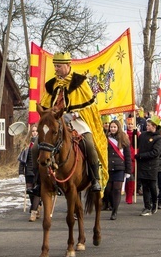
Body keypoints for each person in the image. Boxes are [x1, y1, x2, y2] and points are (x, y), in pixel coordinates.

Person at [37, 52, 108, 192]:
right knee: (35, 147)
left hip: (77, 121)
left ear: (68, 65)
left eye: (58, 66)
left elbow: (89, 107)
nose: (56, 69)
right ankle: (38, 181)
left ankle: (95, 179)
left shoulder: (80, 81)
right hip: (55, 122)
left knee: (89, 144)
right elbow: (45, 106)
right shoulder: (51, 84)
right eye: (55, 66)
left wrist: (73, 114)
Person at [135, 116, 161, 216]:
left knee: (152, 185)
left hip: (152, 165)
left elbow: (155, 152)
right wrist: (134, 135)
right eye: (146, 125)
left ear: (154, 126)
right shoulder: (143, 135)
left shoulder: (159, 138)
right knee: (145, 186)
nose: (146, 127)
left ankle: (154, 203)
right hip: (142, 165)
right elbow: (136, 145)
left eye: (149, 125)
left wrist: (141, 156)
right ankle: (147, 206)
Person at [105, 120, 132, 220]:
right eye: (111, 127)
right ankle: (112, 205)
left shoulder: (123, 139)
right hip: (108, 168)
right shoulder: (106, 138)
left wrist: (128, 171)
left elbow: (128, 156)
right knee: (108, 189)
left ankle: (114, 211)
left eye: (114, 127)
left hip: (120, 168)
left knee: (117, 189)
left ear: (118, 128)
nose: (112, 129)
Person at [18, 125, 40, 222]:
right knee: (30, 192)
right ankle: (37, 207)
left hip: (39, 172)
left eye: (36, 131)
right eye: (33, 131)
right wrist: (21, 173)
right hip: (29, 172)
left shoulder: (41, 144)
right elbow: (22, 161)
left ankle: (33, 212)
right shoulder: (27, 145)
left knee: (37, 192)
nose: (34, 133)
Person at [124, 117, 140, 204]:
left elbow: (138, 145)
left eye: (131, 124)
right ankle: (127, 194)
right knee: (127, 177)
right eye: (129, 124)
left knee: (131, 177)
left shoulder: (136, 134)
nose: (130, 126)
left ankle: (130, 195)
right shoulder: (124, 134)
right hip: (126, 157)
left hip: (133, 157)